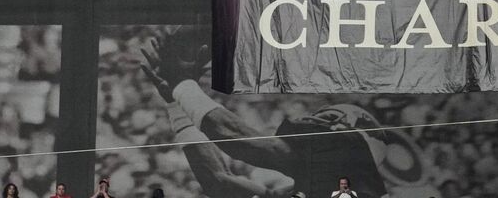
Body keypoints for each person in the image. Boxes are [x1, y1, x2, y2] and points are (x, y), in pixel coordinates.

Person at [136, 30, 393, 198]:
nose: (313, 120)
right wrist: (175, 105)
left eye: (326, 118)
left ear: (349, 134)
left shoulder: (342, 158)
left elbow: (236, 138)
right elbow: (220, 183)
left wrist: (182, 85)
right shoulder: (321, 184)